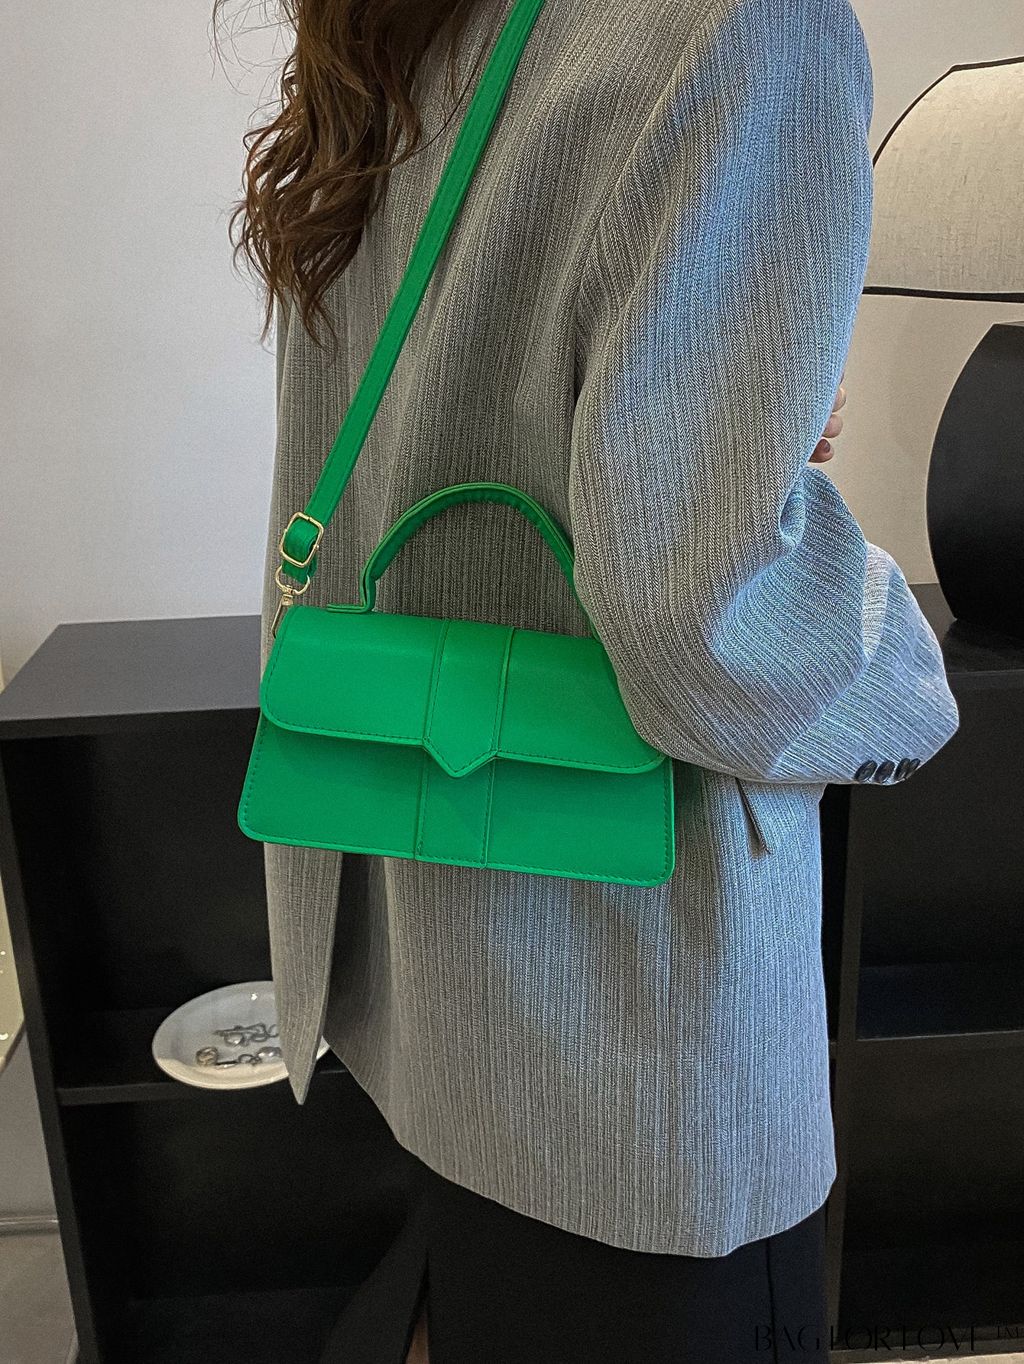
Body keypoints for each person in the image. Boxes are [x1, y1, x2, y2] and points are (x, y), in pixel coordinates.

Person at [221, 0, 960, 1359]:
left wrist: (714, 446)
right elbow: (702, 618)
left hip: (428, 964)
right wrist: (908, 679)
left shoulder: (425, 23)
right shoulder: (748, 27)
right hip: (636, 1044)